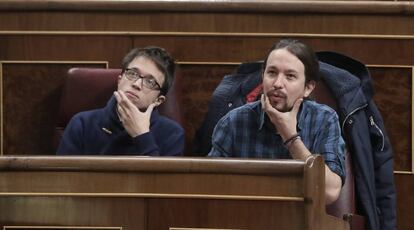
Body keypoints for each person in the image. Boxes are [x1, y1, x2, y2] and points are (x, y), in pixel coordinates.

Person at [208, 39, 345, 204]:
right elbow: (211, 188)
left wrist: (291, 137)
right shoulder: (233, 122)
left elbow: (329, 193)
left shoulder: (324, 119)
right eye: (272, 73)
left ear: (308, 87)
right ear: (262, 76)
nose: (278, 84)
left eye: (290, 76)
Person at [57, 46, 184, 156]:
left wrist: (142, 136)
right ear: (119, 80)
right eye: (133, 74)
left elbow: (162, 183)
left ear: (159, 100)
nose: (137, 84)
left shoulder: (172, 134)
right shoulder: (82, 124)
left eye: (150, 82)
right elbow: (62, 179)